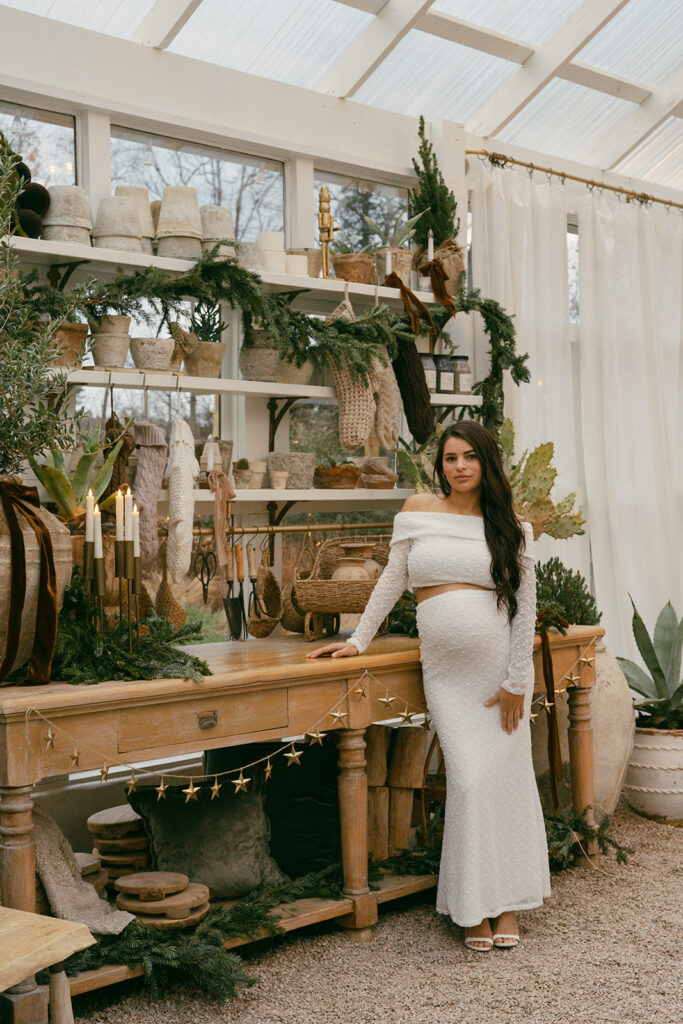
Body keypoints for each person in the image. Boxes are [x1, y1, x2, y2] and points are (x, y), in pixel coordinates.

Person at [307, 420, 551, 951]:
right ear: (439, 465)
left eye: (469, 457)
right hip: (449, 675)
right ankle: (470, 907)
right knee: (467, 781)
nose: (459, 466)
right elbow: (393, 578)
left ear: (486, 462)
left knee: (504, 785)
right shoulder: (417, 509)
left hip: (501, 677)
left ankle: (507, 903)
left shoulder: (509, 524)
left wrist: (517, 679)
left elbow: (525, 607)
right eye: (449, 458)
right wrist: (359, 641)